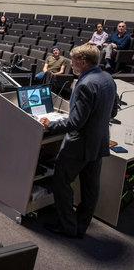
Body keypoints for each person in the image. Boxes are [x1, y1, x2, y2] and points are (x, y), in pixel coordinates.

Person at [40, 44, 117, 239]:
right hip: (99, 141)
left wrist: (51, 125)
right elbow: (113, 111)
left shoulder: (84, 84)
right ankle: (80, 226)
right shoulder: (108, 78)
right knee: (91, 188)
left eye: (73, 60)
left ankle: (67, 226)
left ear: (82, 62)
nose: (71, 63)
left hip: (79, 146)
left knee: (61, 182)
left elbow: (75, 122)